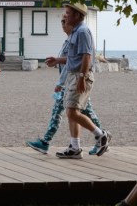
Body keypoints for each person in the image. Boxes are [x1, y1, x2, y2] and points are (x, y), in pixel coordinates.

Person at [26, 18, 105, 156]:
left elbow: (79, 61)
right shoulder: (69, 40)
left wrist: (62, 83)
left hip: (73, 81)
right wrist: (57, 60)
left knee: (65, 112)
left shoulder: (80, 34)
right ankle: (84, 143)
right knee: (81, 113)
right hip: (72, 81)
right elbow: (70, 61)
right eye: (62, 21)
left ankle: (100, 136)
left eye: (65, 21)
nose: (63, 24)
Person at [45, 3, 112, 159]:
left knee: (72, 112)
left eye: (68, 13)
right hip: (73, 75)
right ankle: (75, 148)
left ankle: (101, 135)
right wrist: (57, 60)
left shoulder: (82, 31)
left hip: (80, 76)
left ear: (77, 15)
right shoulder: (75, 32)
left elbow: (86, 57)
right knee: (71, 111)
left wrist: (82, 78)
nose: (65, 15)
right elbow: (73, 57)